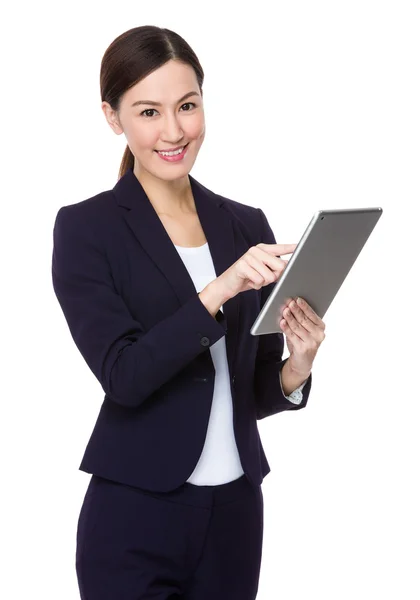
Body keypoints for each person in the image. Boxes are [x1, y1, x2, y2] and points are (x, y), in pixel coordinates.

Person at [51, 25, 326, 600]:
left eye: (187, 106)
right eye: (148, 112)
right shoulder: (87, 229)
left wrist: (296, 368)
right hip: (135, 516)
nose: (174, 131)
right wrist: (217, 291)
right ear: (112, 116)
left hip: (234, 515)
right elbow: (124, 376)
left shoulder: (245, 224)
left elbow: (247, 391)